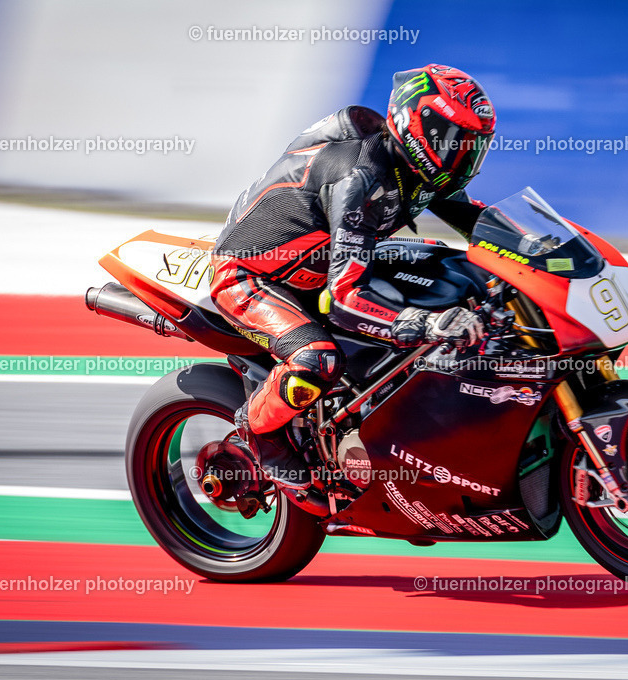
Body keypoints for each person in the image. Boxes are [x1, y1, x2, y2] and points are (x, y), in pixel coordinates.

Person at [209, 64, 495, 491]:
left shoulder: (421, 172)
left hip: (317, 269)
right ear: (416, 129)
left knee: (460, 277)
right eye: (452, 140)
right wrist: (423, 323)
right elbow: (344, 302)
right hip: (249, 276)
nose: (462, 153)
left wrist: (544, 249)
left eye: (472, 144)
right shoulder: (357, 177)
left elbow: (481, 225)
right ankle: (260, 433)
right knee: (317, 359)